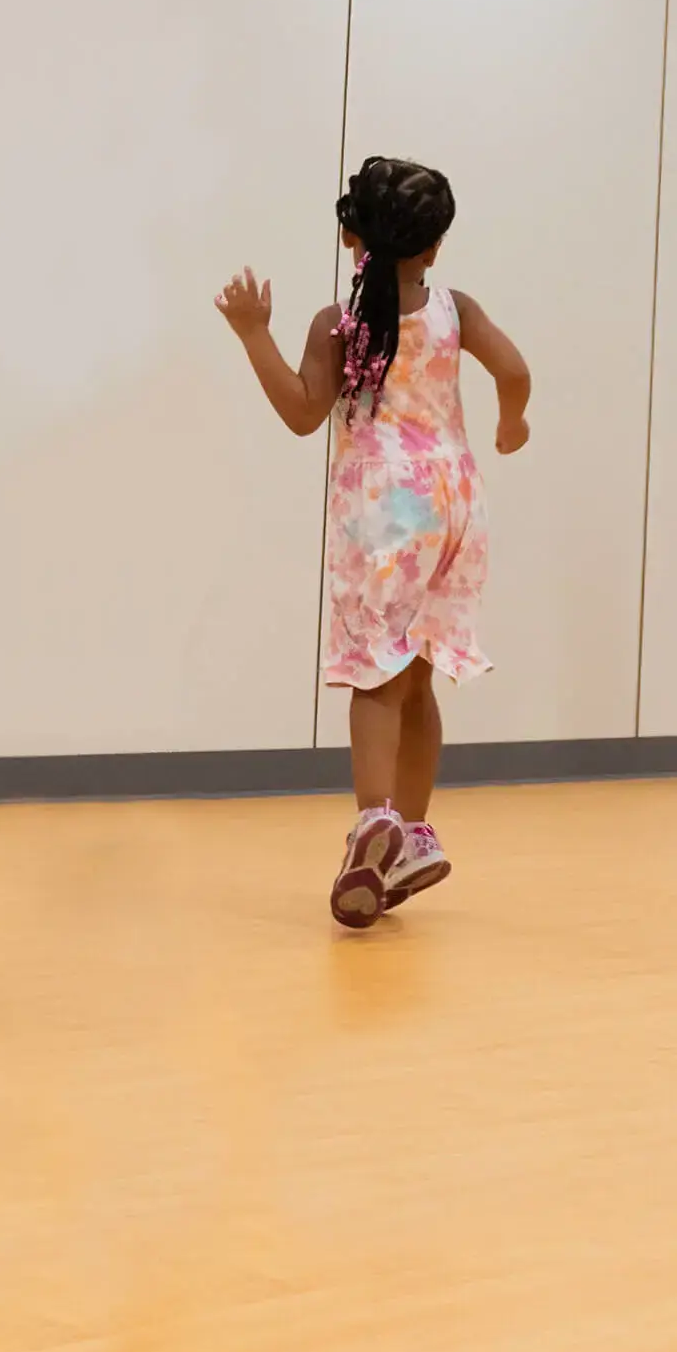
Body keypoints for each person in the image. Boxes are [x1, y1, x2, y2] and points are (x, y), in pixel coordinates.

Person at [216, 156, 530, 928]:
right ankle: (415, 833)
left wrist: (254, 335)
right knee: (418, 677)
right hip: (456, 507)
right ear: (435, 248)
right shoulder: (457, 309)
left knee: (373, 677)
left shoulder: (339, 323)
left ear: (348, 235)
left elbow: (301, 410)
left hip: (385, 512)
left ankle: (372, 820)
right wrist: (511, 422)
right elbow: (514, 370)